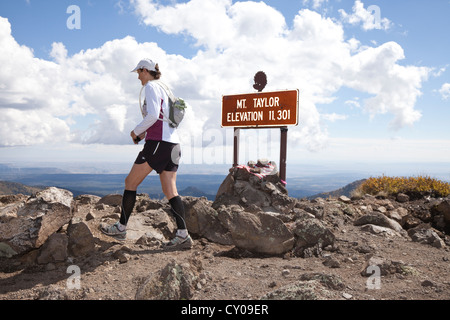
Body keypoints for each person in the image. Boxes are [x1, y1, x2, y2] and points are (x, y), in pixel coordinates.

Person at [100, 58, 193, 250]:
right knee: (170, 190)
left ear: (145, 70)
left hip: (158, 143)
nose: (138, 77)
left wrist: (135, 132)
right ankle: (183, 235)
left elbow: (153, 115)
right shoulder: (166, 89)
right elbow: (163, 118)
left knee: (130, 183)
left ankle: (121, 228)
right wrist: (144, 133)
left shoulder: (151, 87)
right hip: (174, 144)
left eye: (138, 73)